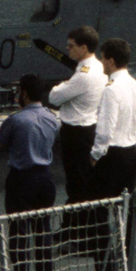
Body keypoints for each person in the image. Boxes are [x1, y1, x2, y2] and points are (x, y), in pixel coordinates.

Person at [82, 38, 136, 271]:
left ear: (110, 61)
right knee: (132, 215)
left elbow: (104, 130)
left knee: (99, 216)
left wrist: (95, 156)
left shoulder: (111, 90)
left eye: (103, 58)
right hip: (131, 155)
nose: (101, 63)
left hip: (111, 156)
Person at [0, 74, 60, 271]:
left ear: (23, 93)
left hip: (21, 178)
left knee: (19, 235)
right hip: (45, 178)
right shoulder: (52, 118)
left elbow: (0, 142)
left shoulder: (16, 120)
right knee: (43, 233)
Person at [48, 25, 105, 248]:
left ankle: (76, 235)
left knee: (76, 184)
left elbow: (54, 97)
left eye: (71, 46)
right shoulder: (97, 66)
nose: (67, 49)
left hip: (76, 133)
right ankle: (72, 230)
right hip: (87, 128)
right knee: (80, 183)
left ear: (83, 47)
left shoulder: (84, 75)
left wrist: (61, 86)